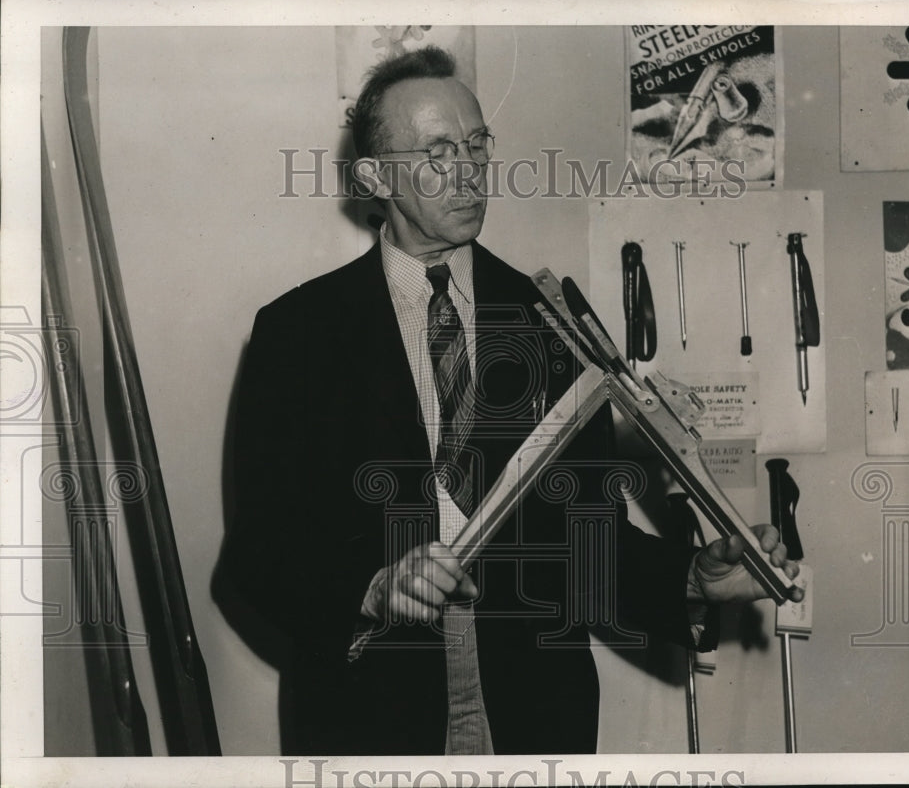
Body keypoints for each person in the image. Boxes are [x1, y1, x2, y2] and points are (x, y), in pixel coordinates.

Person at [217, 45, 801, 756]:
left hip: (533, 714)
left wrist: (691, 577)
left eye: (476, 145)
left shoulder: (550, 318)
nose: (467, 172)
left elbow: (588, 542)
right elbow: (255, 557)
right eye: (437, 153)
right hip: (367, 713)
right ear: (374, 176)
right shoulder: (298, 332)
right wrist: (370, 586)